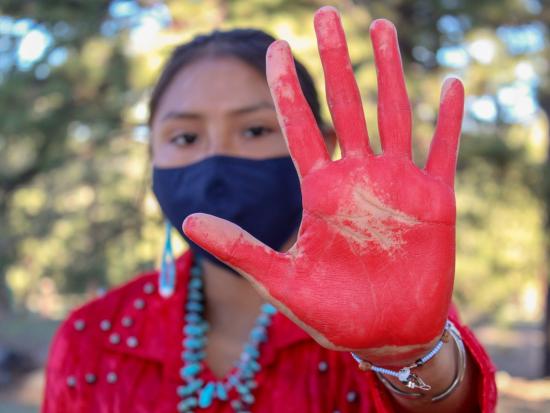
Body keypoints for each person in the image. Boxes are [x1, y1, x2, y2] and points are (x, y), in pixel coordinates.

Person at [42, 6, 497, 413]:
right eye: (184, 137)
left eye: (256, 130)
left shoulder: (387, 309)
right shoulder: (93, 339)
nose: (216, 162)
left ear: (324, 147)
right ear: (152, 158)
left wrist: (405, 358)